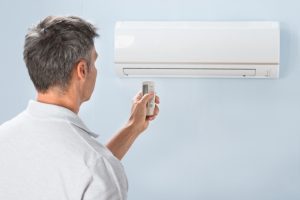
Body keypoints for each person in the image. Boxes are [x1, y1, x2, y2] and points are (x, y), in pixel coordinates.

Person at [0, 16, 159, 200]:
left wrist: (133, 127)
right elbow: (90, 170)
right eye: (95, 62)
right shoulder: (96, 167)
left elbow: (74, 170)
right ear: (82, 70)